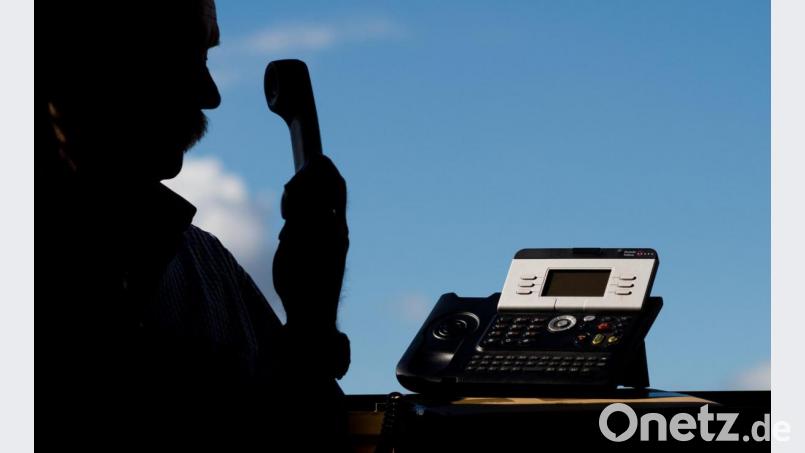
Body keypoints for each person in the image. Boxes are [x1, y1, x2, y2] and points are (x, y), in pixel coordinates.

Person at [37, 1, 352, 450]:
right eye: (189, 57)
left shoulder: (208, 267)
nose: (211, 93)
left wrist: (311, 323)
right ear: (83, 60)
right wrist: (310, 324)